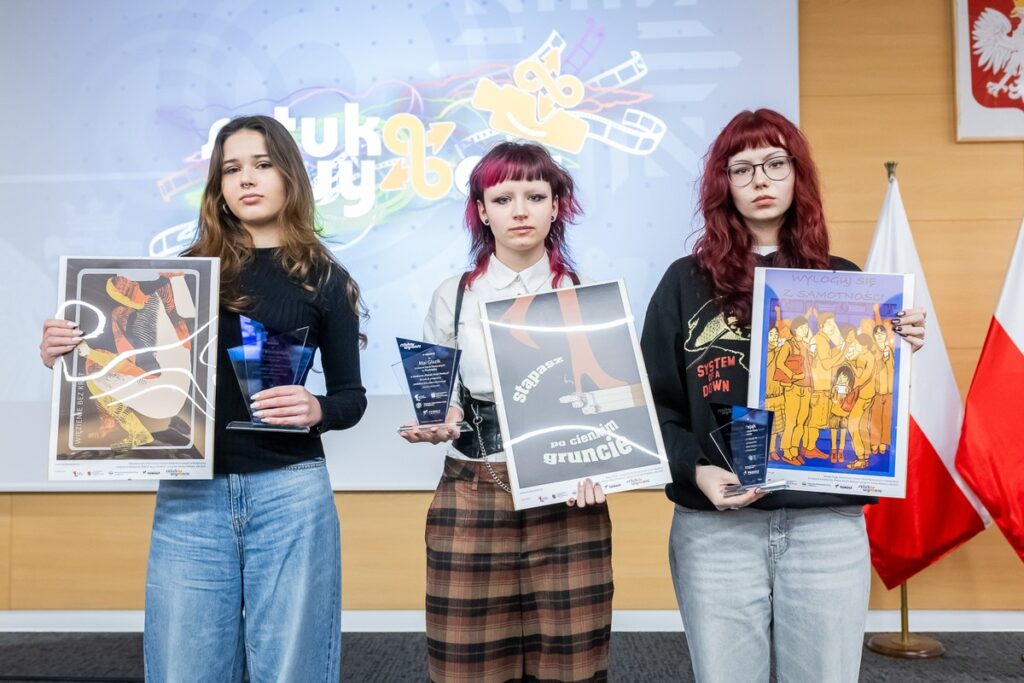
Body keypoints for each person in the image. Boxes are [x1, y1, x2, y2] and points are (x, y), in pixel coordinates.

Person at [39, 115, 367, 682]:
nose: (247, 179)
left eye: (262, 164)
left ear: (290, 174)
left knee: (295, 670)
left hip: (291, 494)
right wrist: (68, 352)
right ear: (217, 187)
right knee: (186, 668)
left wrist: (318, 409)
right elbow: (126, 375)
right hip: (191, 499)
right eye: (231, 169)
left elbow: (351, 397)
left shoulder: (325, 279)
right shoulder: (179, 275)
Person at [640, 108, 925, 683]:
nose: (761, 180)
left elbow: (865, 406)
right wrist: (695, 470)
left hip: (825, 527)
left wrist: (892, 352)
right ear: (724, 184)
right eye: (742, 169)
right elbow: (653, 404)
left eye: (775, 163)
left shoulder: (846, 283)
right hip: (716, 532)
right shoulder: (683, 282)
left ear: (798, 175)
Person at [400, 141, 612, 682]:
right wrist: (438, 422)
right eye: (503, 197)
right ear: (482, 210)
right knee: (466, 662)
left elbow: (609, 403)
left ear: (557, 205)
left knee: (572, 662)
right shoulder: (454, 297)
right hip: (474, 485)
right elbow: (442, 395)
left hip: (569, 494)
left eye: (535, 195)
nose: (520, 210)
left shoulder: (585, 295)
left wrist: (601, 461)